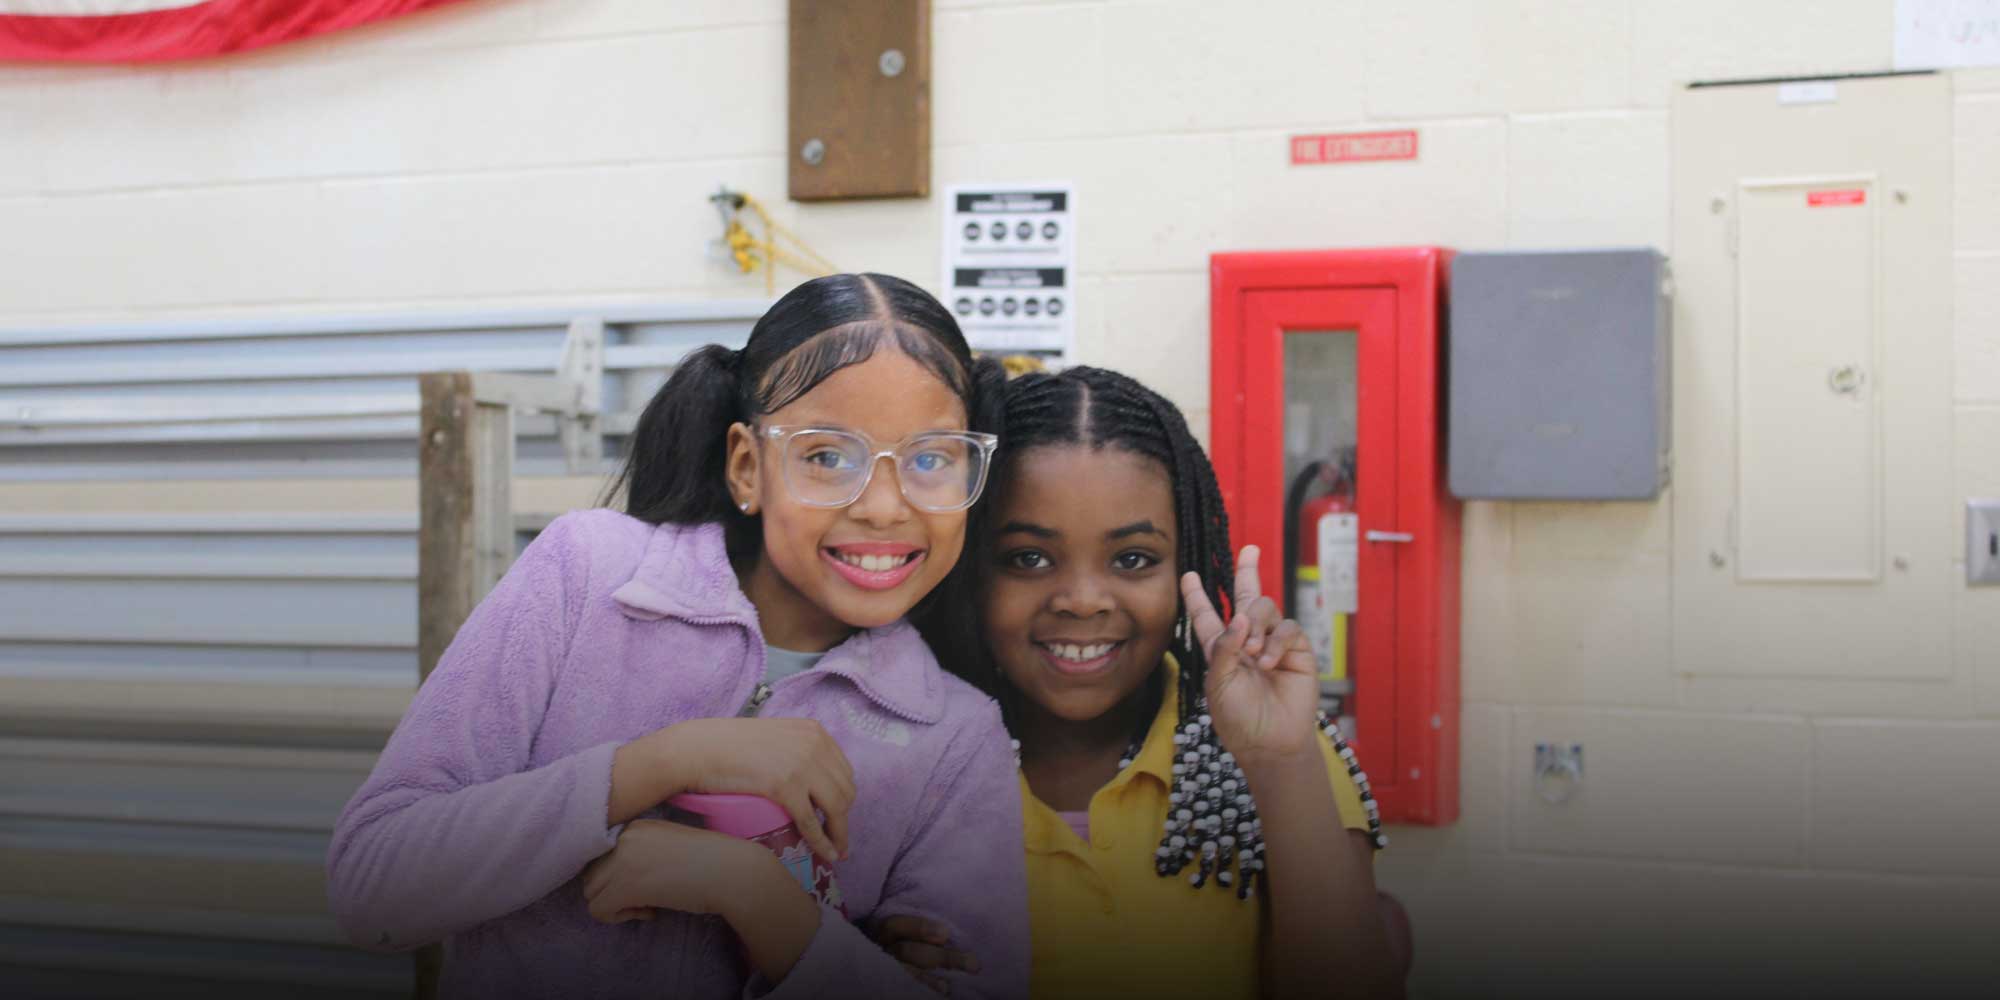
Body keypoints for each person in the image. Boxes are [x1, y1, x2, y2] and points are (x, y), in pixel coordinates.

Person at [327, 273, 1029, 1000]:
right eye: (827, 456)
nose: (885, 507)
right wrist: (660, 764)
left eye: (932, 459)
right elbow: (373, 885)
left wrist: (757, 898)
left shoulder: (954, 737)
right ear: (748, 466)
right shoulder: (588, 574)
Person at [885, 366, 1402, 999]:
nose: (1081, 600)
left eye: (1132, 560)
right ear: (970, 565)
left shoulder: (1276, 749)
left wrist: (1280, 762)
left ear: (1184, 564)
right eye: (1028, 558)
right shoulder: (896, 754)